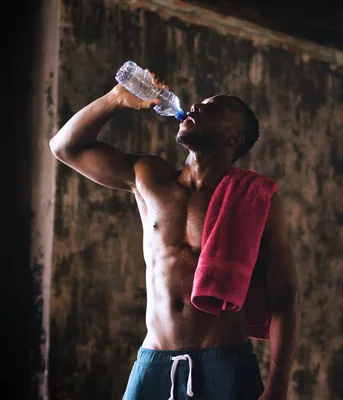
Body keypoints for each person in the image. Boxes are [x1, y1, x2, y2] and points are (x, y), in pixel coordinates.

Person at [49, 71, 300, 400]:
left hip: (225, 363)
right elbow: (65, 147)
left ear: (233, 139)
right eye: (200, 102)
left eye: (214, 106)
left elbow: (284, 297)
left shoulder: (254, 199)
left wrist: (278, 385)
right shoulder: (149, 177)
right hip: (153, 360)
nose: (196, 105)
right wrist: (115, 99)